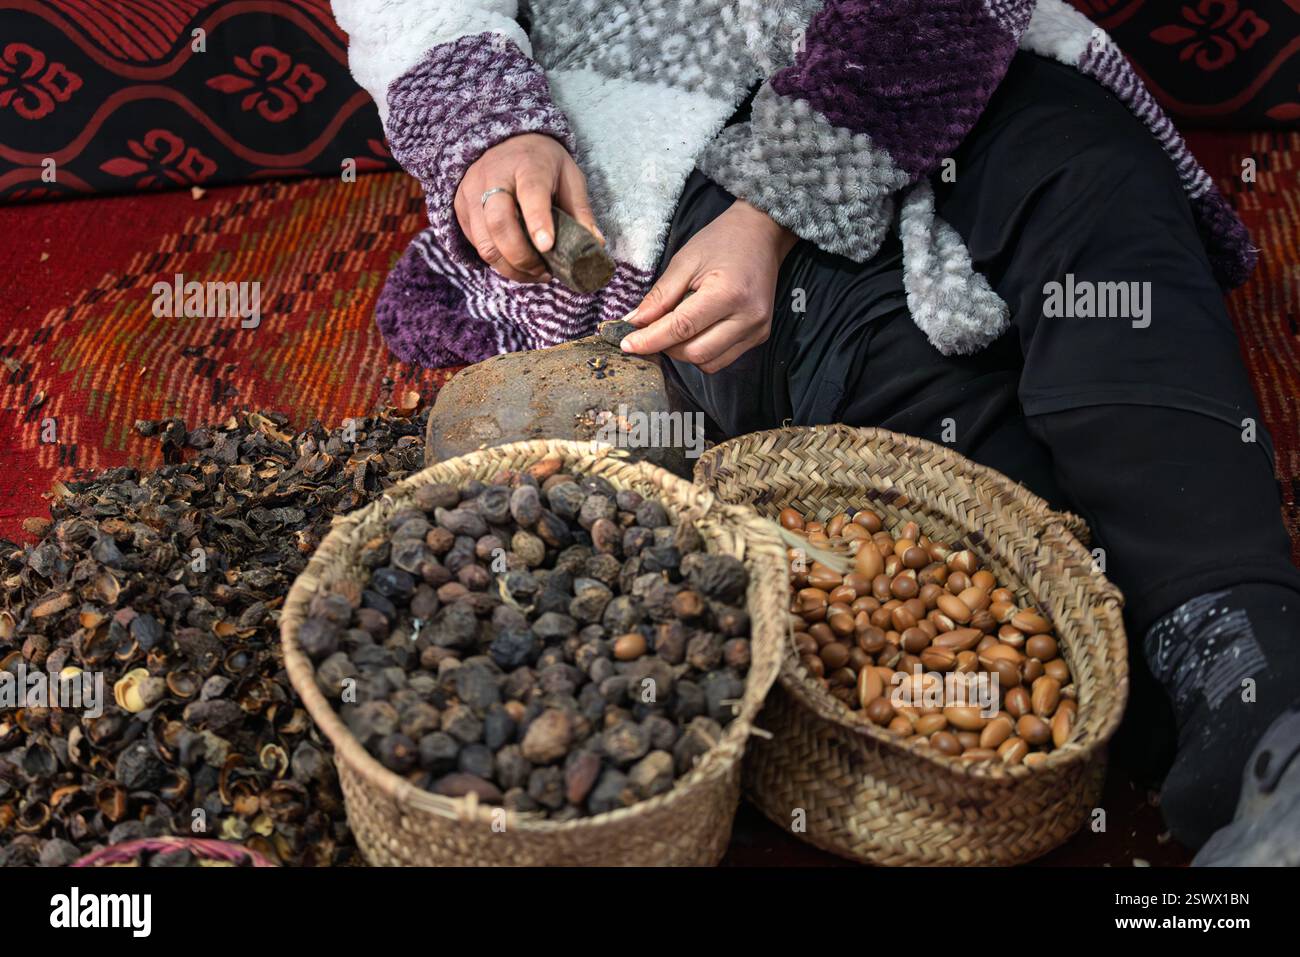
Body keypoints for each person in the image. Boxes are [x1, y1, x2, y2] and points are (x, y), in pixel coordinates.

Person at [333, 0, 1300, 862]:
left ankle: (1249, 678)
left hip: (920, 43)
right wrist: (492, 133)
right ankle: (1136, 683)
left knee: (1097, 195)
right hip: (648, 96)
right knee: (863, 345)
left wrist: (780, 203)